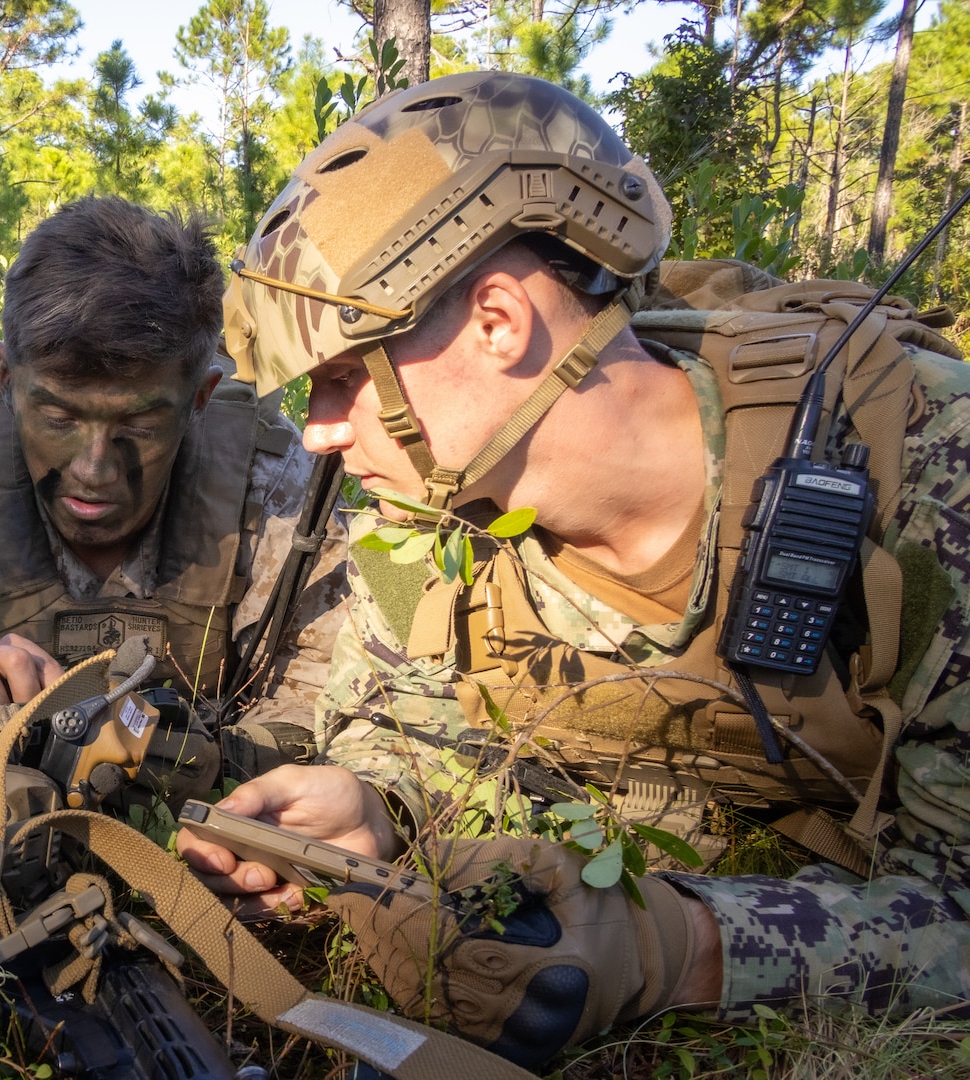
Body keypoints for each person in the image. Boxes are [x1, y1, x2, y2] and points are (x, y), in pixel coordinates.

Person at [178, 70, 970, 1068]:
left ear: (499, 323)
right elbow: (402, 731)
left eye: (342, 380)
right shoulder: (411, 530)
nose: (323, 435)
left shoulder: (930, 481)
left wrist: (686, 952)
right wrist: (375, 806)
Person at [0, 196, 348, 787]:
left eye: (138, 428)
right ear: (9, 379)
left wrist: (191, 763)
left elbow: (327, 709)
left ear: (200, 397)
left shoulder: (273, 484)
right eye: (59, 419)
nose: (93, 470)